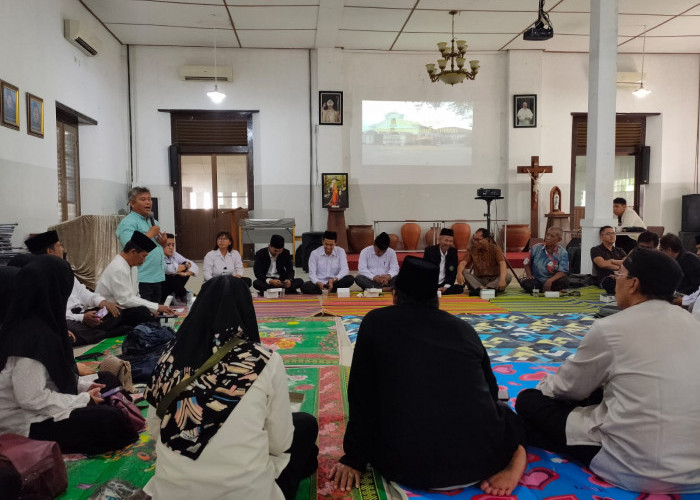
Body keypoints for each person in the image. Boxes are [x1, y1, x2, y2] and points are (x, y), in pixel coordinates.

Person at [329, 257, 526, 496]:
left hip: (408, 468)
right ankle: (516, 452)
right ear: (436, 299)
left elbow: (362, 395)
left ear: (395, 295)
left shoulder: (376, 322)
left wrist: (354, 458)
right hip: (483, 461)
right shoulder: (464, 329)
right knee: (515, 409)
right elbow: (492, 392)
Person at [515, 249, 700, 493]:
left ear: (634, 284)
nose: (616, 282)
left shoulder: (611, 327)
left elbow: (566, 389)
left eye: (619, 275)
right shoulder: (693, 324)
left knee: (529, 401)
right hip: (694, 471)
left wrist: (541, 390)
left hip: (635, 468)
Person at [143, 275, 318, 500]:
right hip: (249, 493)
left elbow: (154, 428)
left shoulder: (168, 357)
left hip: (171, 493)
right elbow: (280, 442)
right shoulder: (264, 360)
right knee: (304, 426)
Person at [0, 256, 139, 455]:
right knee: (109, 420)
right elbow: (30, 398)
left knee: (106, 382)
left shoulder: (42, 325)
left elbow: (54, 376)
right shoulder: (31, 335)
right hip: (22, 421)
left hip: (39, 407)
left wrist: (83, 387)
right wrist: (82, 400)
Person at [22, 230, 124, 346]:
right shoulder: (41, 277)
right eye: (59, 246)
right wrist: (82, 318)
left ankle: (98, 333)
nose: (64, 250)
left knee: (114, 311)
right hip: (67, 320)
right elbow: (51, 313)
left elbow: (82, 292)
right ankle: (104, 334)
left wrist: (102, 302)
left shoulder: (64, 270)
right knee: (66, 331)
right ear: (50, 251)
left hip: (82, 314)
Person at [96, 231, 174, 325]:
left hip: (122, 310)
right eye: (143, 256)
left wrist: (152, 309)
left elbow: (136, 295)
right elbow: (124, 300)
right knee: (142, 313)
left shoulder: (133, 267)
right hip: (107, 313)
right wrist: (155, 307)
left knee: (145, 312)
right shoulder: (118, 268)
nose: (144, 260)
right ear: (133, 252)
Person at [116, 187, 167, 304]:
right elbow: (129, 246)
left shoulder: (152, 221)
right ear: (132, 203)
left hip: (157, 276)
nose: (148, 202)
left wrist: (162, 244)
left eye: (149, 199)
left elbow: (153, 246)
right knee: (144, 314)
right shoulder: (128, 222)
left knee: (155, 313)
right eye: (143, 199)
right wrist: (149, 234)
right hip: (141, 278)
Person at [456, 228, 511, 295]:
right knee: (464, 272)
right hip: (478, 280)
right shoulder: (472, 249)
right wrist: (459, 273)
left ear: (487, 239)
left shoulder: (495, 248)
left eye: (478, 240)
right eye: (474, 239)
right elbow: (463, 263)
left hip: (494, 279)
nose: (475, 242)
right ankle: (487, 289)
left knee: (507, 276)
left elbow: (502, 263)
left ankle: (482, 289)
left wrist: (502, 279)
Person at [521, 226, 569, 293]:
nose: (548, 238)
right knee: (527, 284)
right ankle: (548, 290)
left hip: (553, 280)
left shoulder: (563, 252)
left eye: (552, 236)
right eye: (547, 235)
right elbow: (526, 263)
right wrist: (529, 275)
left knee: (565, 281)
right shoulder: (535, 248)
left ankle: (541, 290)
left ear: (559, 239)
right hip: (537, 280)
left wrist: (550, 281)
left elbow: (562, 271)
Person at [423, 228, 464, 295]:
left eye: (450, 241)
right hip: (431, 282)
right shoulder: (430, 251)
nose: (448, 243)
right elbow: (425, 270)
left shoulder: (453, 252)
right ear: (439, 239)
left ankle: (439, 291)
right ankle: (435, 290)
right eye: (446, 240)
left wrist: (446, 286)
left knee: (460, 288)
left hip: (444, 284)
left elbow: (453, 273)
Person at [161, 233, 199, 303]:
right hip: (162, 287)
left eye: (173, 245)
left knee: (181, 271)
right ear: (161, 245)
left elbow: (195, 267)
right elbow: (169, 270)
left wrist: (185, 273)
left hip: (173, 286)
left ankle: (176, 294)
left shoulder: (174, 254)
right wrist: (185, 267)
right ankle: (183, 294)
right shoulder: (159, 255)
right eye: (168, 245)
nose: (171, 247)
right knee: (171, 275)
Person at [590, 226, 626, 294]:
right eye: (608, 234)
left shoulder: (619, 250)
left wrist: (612, 261)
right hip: (605, 279)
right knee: (612, 282)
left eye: (613, 233)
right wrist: (621, 267)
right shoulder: (595, 250)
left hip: (621, 276)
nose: (612, 236)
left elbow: (627, 262)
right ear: (601, 236)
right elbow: (602, 264)